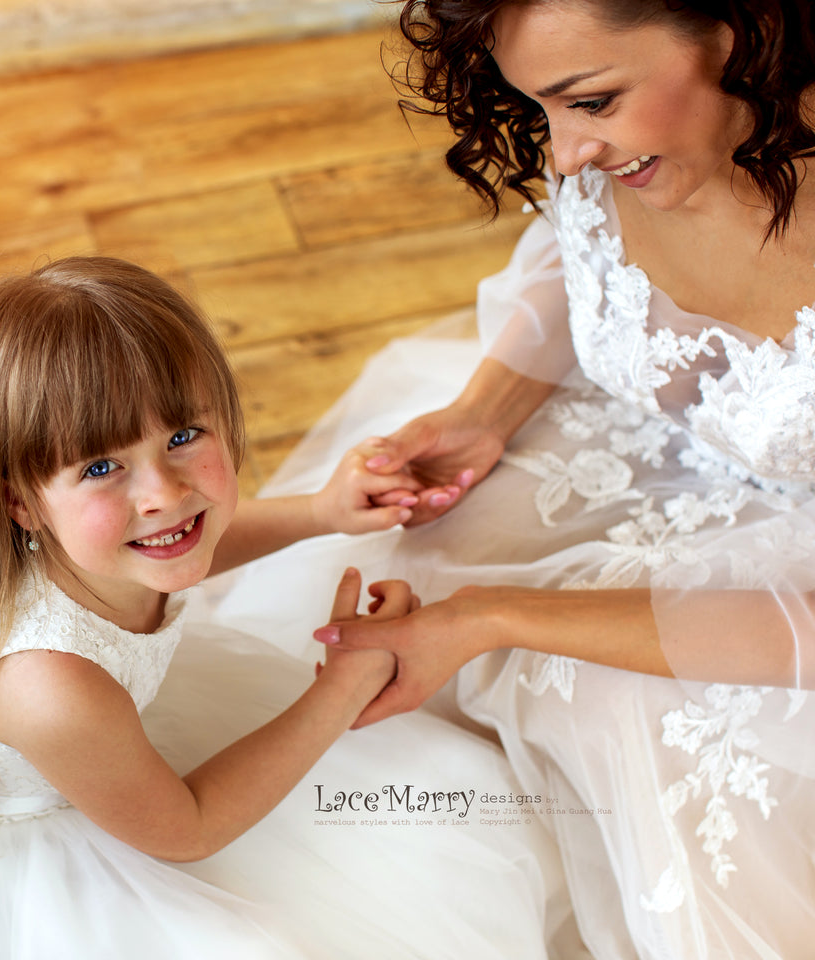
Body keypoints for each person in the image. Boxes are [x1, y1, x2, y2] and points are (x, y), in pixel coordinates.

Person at [0, 257, 573, 959]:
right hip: (60, 835)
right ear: (20, 500)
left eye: (183, 436)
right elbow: (188, 828)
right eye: (101, 467)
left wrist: (321, 513)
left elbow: (192, 540)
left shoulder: (108, 540)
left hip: (110, 746)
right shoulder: (46, 684)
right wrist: (336, 690)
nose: (162, 493)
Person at [207, 1, 815, 957]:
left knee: (637, 721)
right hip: (656, 445)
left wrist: (494, 616)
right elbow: (581, 264)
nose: (567, 152)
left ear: (735, 34)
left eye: (592, 102)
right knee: (415, 553)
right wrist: (484, 412)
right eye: (543, 110)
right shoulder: (617, 137)